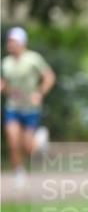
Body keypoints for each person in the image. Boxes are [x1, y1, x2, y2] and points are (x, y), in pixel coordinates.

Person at [1, 26, 56, 185]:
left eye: (13, 41)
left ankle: (39, 141)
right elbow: (6, 85)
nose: (10, 44)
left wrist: (40, 93)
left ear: (22, 43)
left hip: (31, 108)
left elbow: (49, 77)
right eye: (9, 41)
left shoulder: (33, 59)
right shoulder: (5, 63)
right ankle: (18, 172)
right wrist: (4, 88)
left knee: (27, 146)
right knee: (12, 140)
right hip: (12, 107)